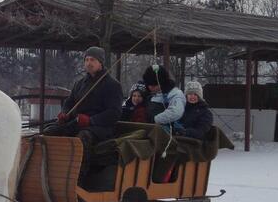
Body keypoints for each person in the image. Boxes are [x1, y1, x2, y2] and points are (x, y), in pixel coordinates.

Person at [44, 46, 123, 180]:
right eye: (86, 60)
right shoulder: (80, 84)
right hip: (77, 122)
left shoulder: (112, 85)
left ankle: (79, 177)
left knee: (83, 137)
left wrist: (91, 120)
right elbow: (69, 102)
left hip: (101, 128)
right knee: (49, 131)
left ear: (101, 63)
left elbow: (114, 113)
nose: (88, 63)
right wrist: (65, 113)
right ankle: (49, 171)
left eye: (92, 60)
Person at [142, 64, 185, 131]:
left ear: (162, 82)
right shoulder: (148, 95)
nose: (151, 87)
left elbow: (176, 112)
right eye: (149, 84)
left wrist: (155, 119)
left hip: (168, 132)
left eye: (154, 85)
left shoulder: (174, 94)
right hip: (148, 128)